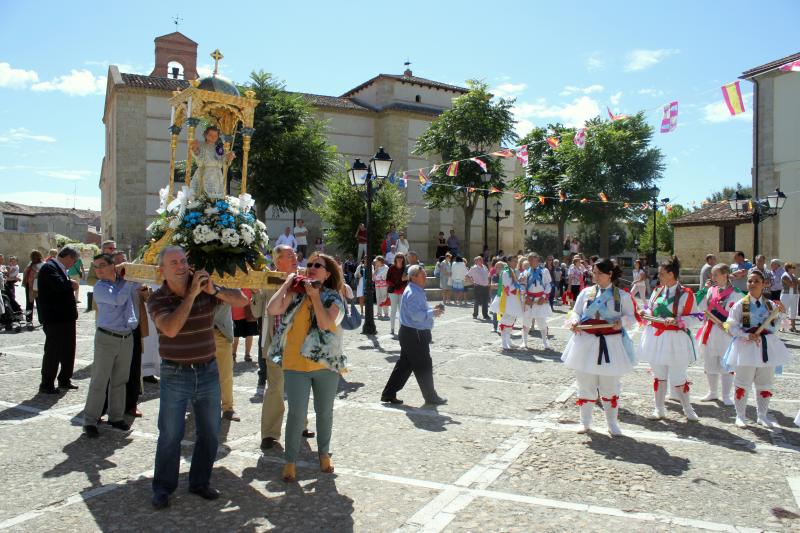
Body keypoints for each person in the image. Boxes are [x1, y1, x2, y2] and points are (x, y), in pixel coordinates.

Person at [147, 246, 248, 509]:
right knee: (170, 433)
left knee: (210, 432)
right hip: (175, 373)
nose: (181, 266)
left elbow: (242, 300)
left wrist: (213, 289)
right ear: (162, 271)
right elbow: (170, 329)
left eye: (183, 261)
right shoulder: (158, 299)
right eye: (174, 263)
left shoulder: (205, 289)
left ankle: (200, 481)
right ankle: (163, 488)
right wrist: (191, 296)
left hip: (207, 371)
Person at [266, 252, 346, 482]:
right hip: (295, 363)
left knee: (324, 413)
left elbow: (325, 323)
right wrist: (287, 285)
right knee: (296, 414)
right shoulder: (297, 294)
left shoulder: (334, 297)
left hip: (325, 364)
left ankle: (324, 455)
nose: (310, 267)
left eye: (317, 265)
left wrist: (315, 297)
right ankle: (289, 462)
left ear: (327, 273)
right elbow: (272, 310)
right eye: (309, 264)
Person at [562, 258, 636, 435]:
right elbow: (576, 312)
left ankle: (612, 423)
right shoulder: (586, 293)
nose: (595, 276)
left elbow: (632, 317)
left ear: (610, 274)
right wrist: (574, 321)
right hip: (586, 342)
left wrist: (622, 322)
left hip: (610, 344)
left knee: (610, 383)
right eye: (593, 273)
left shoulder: (622, 296)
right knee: (585, 382)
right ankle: (585, 422)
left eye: (599, 273)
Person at [724, 270, 792, 428]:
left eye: (756, 281)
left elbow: (779, 326)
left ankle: (762, 415)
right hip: (746, 347)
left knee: (765, 383)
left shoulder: (770, 305)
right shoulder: (741, 305)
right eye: (750, 281)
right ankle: (740, 415)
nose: (752, 284)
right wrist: (745, 335)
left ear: (764, 284)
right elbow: (729, 325)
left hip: (766, 347)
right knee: (742, 382)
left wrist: (782, 314)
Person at [82, 253, 140, 437]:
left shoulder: (124, 282)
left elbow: (140, 284)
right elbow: (118, 300)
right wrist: (129, 281)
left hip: (126, 336)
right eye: (95, 266)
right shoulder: (100, 287)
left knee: (120, 380)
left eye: (101, 266)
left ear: (111, 266)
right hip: (106, 338)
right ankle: (90, 421)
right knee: (99, 381)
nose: (97, 270)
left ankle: (116, 417)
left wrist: (134, 272)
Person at [638, 256, 700, 421]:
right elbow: (651, 310)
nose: (659, 276)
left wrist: (679, 320)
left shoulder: (686, 294)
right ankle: (659, 409)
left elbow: (697, 317)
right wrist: (646, 314)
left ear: (672, 274)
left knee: (679, 375)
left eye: (662, 273)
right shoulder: (658, 291)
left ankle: (688, 409)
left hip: (675, 339)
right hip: (656, 338)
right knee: (659, 375)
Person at [381, 264, 446, 406]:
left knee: (404, 365)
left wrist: (431, 311)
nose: (425, 278)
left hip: (412, 333)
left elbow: (419, 311)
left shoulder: (416, 290)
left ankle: (388, 394)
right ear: (414, 277)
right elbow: (416, 316)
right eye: (422, 275)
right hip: (414, 334)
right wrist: (432, 313)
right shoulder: (413, 292)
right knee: (424, 365)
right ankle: (431, 397)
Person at [37, 246, 80, 394]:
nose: (73, 264)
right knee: (53, 352)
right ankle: (47, 384)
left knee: (68, 350)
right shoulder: (49, 267)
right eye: (74, 261)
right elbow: (58, 285)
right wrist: (71, 284)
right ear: (68, 256)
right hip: (55, 319)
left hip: (65, 318)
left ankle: (64, 379)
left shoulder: (59, 267)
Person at [694, 263, 738, 405]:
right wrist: (703, 291)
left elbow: (740, 313)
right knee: (710, 361)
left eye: (715, 274)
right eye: (712, 275)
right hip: (711, 329)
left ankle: (726, 395)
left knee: (725, 363)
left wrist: (729, 325)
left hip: (726, 331)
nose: (712, 277)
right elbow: (702, 308)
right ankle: (712, 392)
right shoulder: (710, 290)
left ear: (725, 275)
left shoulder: (736, 293)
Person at [188, 125, 235, 199]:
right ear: (205, 135)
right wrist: (195, 148)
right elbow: (197, 155)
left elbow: (223, 161)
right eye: (210, 135)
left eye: (215, 135)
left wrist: (229, 157)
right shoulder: (201, 145)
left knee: (215, 194)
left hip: (216, 174)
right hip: (205, 172)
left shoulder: (219, 148)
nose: (213, 137)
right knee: (203, 194)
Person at [489, 256, 524, 350]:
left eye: (516, 261)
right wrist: (518, 283)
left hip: (513, 299)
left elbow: (514, 285)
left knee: (511, 320)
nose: (516, 263)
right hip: (507, 299)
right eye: (514, 261)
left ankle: (508, 340)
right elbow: (508, 286)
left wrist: (518, 285)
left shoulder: (512, 271)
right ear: (508, 262)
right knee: (505, 319)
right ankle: (504, 342)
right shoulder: (505, 272)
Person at [520, 253, 553, 350]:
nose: (532, 262)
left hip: (540, 300)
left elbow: (548, 285)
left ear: (538, 260)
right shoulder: (525, 272)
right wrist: (526, 296)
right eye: (530, 260)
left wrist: (544, 296)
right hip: (529, 300)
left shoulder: (544, 271)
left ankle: (545, 342)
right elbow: (522, 286)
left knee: (542, 322)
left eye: (534, 260)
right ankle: (524, 342)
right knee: (526, 322)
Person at [232, 288, 258, 362]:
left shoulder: (250, 284)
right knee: (235, 335)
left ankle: (247, 354)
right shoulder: (235, 284)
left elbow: (257, 292)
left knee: (250, 334)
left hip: (249, 313)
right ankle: (233, 354)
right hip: (236, 313)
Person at [386, 253, 409, 336]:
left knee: (401, 311)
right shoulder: (391, 268)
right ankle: (392, 329)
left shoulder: (405, 268)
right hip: (393, 292)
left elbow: (406, 280)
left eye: (401, 257)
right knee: (393, 310)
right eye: (398, 257)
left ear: (403, 259)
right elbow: (387, 280)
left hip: (402, 292)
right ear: (395, 259)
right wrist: (394, 286)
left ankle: (400, 329)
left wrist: (402, 288)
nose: (399, 259)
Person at [23, 250, 44, 326]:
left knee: (29, 303)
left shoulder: (31, 264)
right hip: (37, 286)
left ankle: (29, 320)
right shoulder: (42, 264)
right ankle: (41, 320)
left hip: (31, 286)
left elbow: (25, 274)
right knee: (39, 303)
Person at [466, 256, 490, 320]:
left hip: (485, 286)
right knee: (476, 301)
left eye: (481, 259)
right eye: (479, 259)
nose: (481, 260)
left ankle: (485, 315)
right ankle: (475, 314)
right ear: (476, 261)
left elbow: (488, 275)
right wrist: (473, 282)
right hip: (478, 286)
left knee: (485, 301)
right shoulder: (473, 268)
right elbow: (467, 276)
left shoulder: (485, 267)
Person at [780, 262, 798, 333]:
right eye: (792, 268)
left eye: (794, 268)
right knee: (784, 311)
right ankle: (782, 327)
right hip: (786, 295)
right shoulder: (785, 275)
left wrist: (797, 282)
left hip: (794, 295)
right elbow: (791, 285)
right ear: (788, 269)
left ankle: (792, 326)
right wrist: (798, 281)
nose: (794, 269)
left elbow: (796, 284)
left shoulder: (793, 275)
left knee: (793, 311)